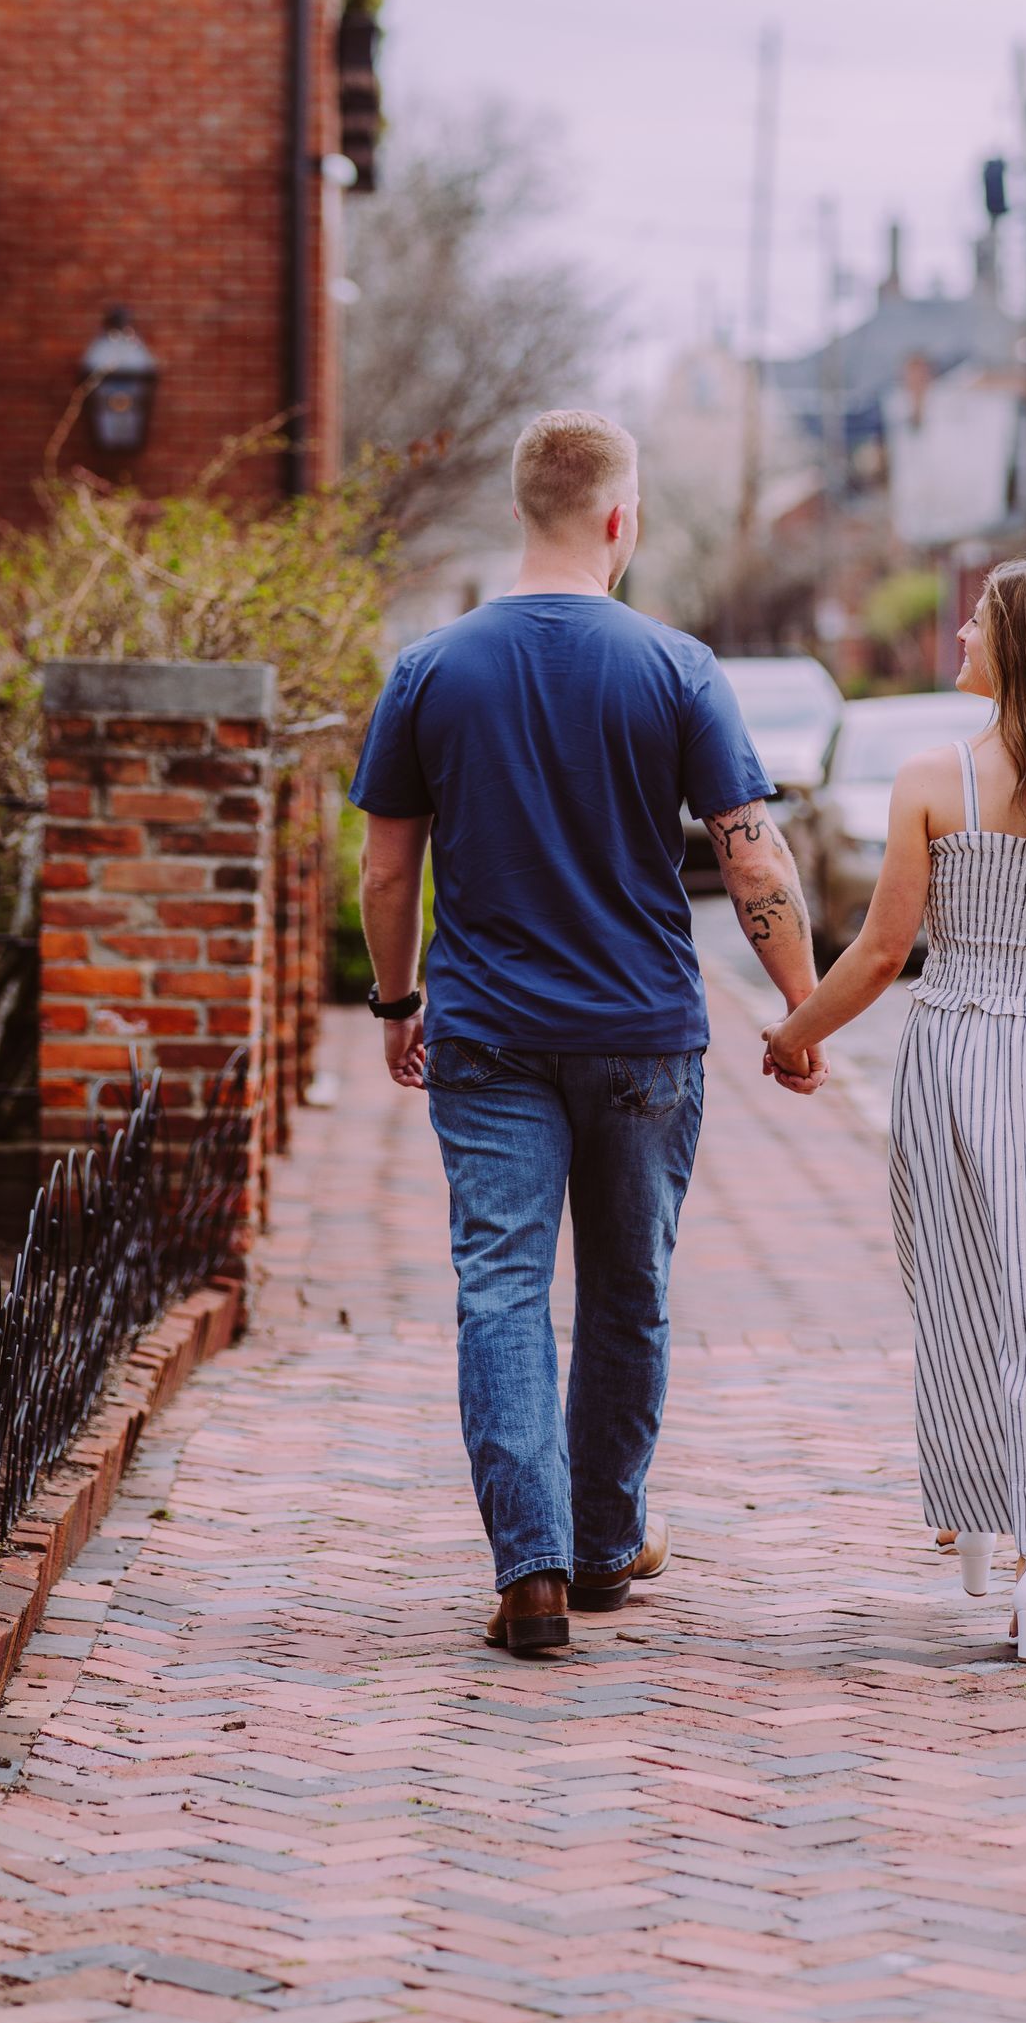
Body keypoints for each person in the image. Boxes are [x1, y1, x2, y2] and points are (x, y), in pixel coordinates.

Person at [350, 409, 825, 1657]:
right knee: (630, 1290)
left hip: (491, 1031)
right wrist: (801, 1002)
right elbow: (751, 848)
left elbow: (387, 873)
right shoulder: (677, 666)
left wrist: (398, 1001)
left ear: (524, 511)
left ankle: (533, 1571)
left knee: (500, 1287)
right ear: (620, 519)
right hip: (644, 1036)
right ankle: (607, 1541)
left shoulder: (431, 668)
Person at [761, 559, 1026, 1660]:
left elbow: (886, 950)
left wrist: (795, 1033)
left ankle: (977, 1523)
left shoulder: (935, 778)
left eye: (978, 624)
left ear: (1021, 648)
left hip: (952, 1052)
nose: (958, 638)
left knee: (960, 1300)